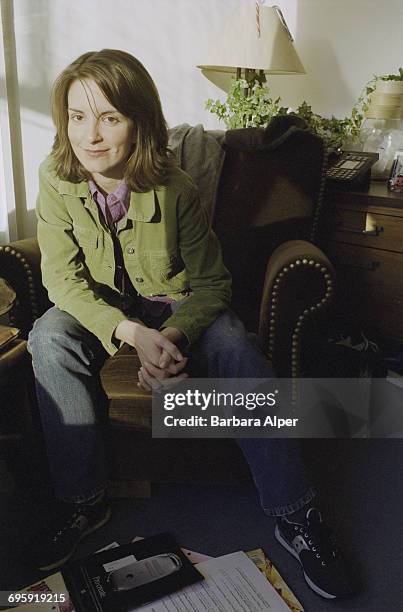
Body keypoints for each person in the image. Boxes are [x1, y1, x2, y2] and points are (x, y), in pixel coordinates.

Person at [28, 49, 352, 599]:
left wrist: (173, 336)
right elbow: (62, 281)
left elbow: (211, 285)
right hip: (105, 308)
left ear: (139, 122)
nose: (91, 135)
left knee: (234, 343)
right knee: (48, 335)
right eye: (77, 116)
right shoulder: (55, 179)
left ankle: (295, 512)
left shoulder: (175, 187)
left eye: (109, 117)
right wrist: (132, 335)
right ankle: (83, 502)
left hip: (174, 303)